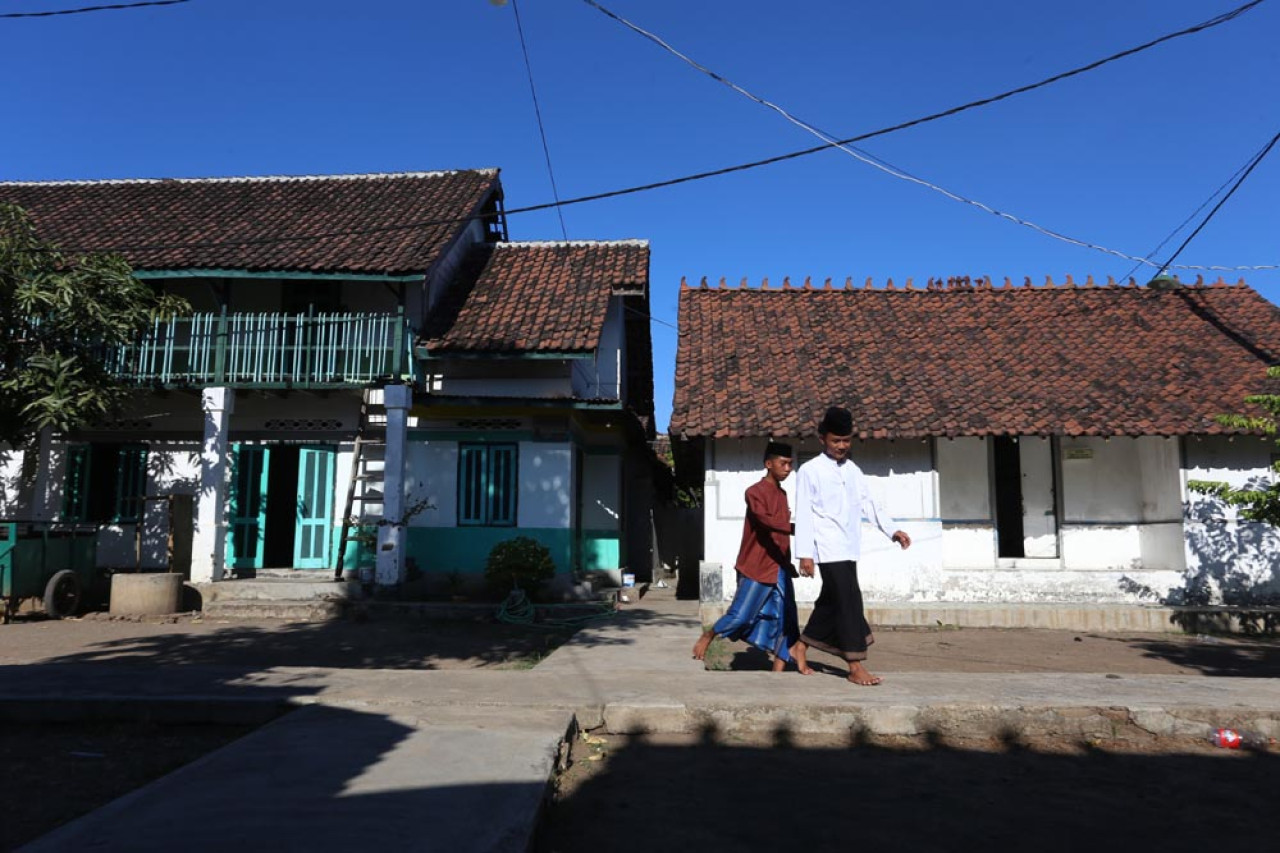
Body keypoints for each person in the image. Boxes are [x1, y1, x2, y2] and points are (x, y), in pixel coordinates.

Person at [792, 406, 911, 685]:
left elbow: (869, 503)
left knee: (831, 602)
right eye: (836, 441)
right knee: (848, 601)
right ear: (822, 438)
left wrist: (892, 530)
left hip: (849, 546)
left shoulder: (853, 470)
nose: (842, 446)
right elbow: (804, 513)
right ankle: (855, 665)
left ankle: (800, 646)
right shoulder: (810, 471)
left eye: (846, 440)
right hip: (827, 547)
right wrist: (805, 554)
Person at [692, 441, 808, 673]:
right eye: (783, 463)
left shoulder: (782, 494)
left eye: (790, 464)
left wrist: (792, 560)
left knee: (786, 619)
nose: (788, 469)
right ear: (768, 464)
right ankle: (709, 635)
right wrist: (798, 528)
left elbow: (781, 535)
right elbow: (765, 521)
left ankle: (778, 670)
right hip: (756, 565)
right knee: (741, 616)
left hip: (779, 567)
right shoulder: (754, 492)